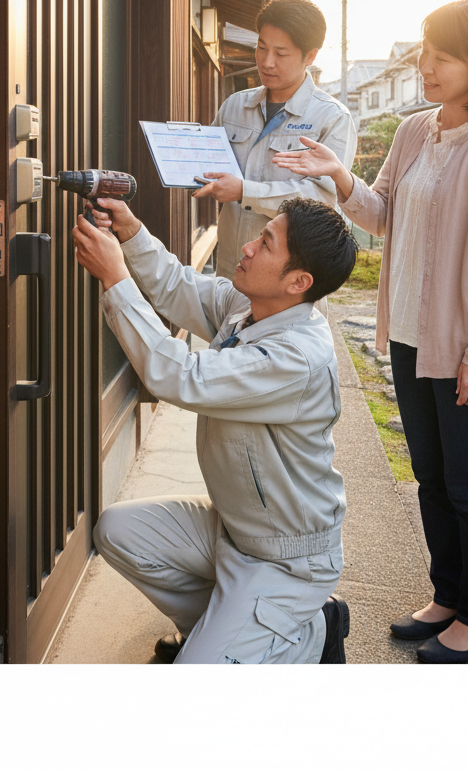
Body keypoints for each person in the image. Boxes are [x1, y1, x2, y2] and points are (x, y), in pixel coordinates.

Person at [273, 0, 468, 664]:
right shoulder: (416, 131)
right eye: (426, 50)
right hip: (410, 336)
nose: (427, 65)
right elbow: (382, 214)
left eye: (443, 56)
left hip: (466, 350)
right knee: (430, 477)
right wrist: (340, 176)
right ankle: (448, 595)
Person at [72, 194, 359, 664]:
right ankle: (216, 629)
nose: (247, 247)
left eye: (266, 243)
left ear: (298, 282)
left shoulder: (296, 357)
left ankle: (311, 632)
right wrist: (131, 231)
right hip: (234, 529)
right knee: (118, 532)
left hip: (286, 561)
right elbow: (176, 286)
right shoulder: (249, 307)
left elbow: (181, 376)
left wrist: (115, 277)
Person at [193, 0, 357, 285]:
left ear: (310, 56)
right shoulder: (234, 106)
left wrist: (245, 191)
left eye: (281, 54)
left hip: (284, 283)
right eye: (261, 48)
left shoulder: (332, 118)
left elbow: (321, 201)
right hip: (231, 270)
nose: (267, 62)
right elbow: (208, 163)